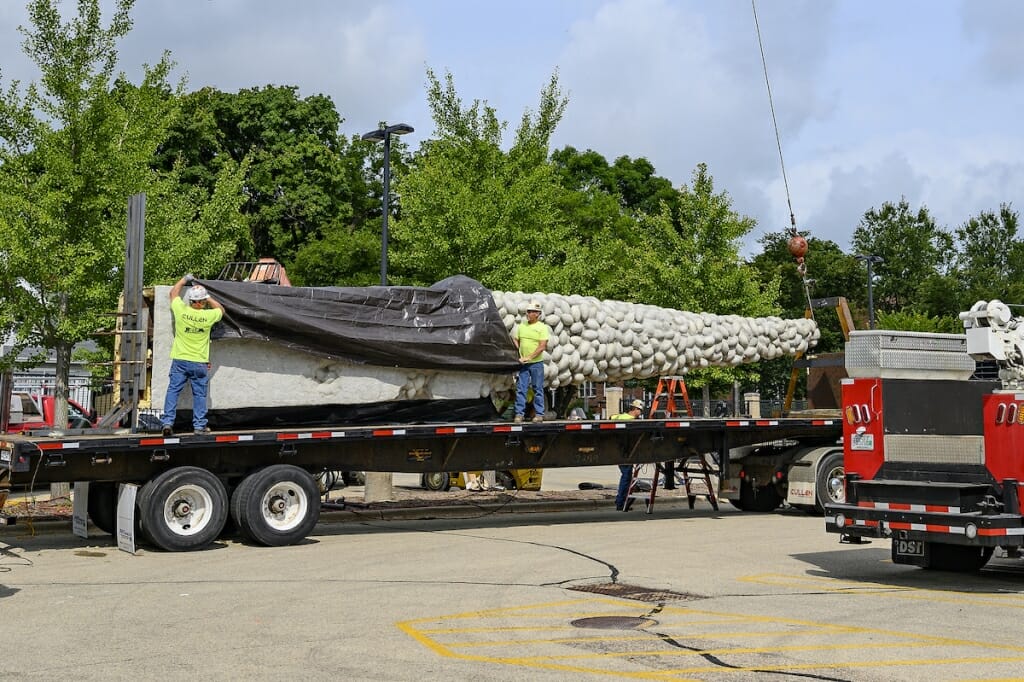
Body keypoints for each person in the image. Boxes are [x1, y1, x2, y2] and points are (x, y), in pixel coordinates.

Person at [161, 274, 224, 436]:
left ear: (190, 301)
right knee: (200, 395)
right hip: (199, 362)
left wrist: (184, 280)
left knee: (173, 391)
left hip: (180, 360)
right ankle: (199, 426)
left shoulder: (181, 311)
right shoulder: (208, 316)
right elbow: (221, 310)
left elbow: (173, 294)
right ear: (202, 302)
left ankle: (168, 423)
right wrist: (207, 296)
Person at [512, 301, 550, 423]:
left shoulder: (542, 328)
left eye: (531, 312)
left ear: (537, 314)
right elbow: (515, 339)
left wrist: (529, 357)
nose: (528, 314)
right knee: (521, 388)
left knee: (537, 388)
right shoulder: (522, 326)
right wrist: (519, 353)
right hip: (524, 364)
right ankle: (519, 414)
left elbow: (542, 346)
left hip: (536, 364)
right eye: (528, 311)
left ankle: (539, 414)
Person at [612, 398, 645, 510]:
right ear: (635, 409)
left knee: (626, 476)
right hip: (626, 452)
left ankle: (620, 501)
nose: (640, 413)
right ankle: (620, 503)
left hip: (617, 449)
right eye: (640, 410)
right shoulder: (631, 420)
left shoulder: (618, 417)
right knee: (626, 477)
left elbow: (611, 417)